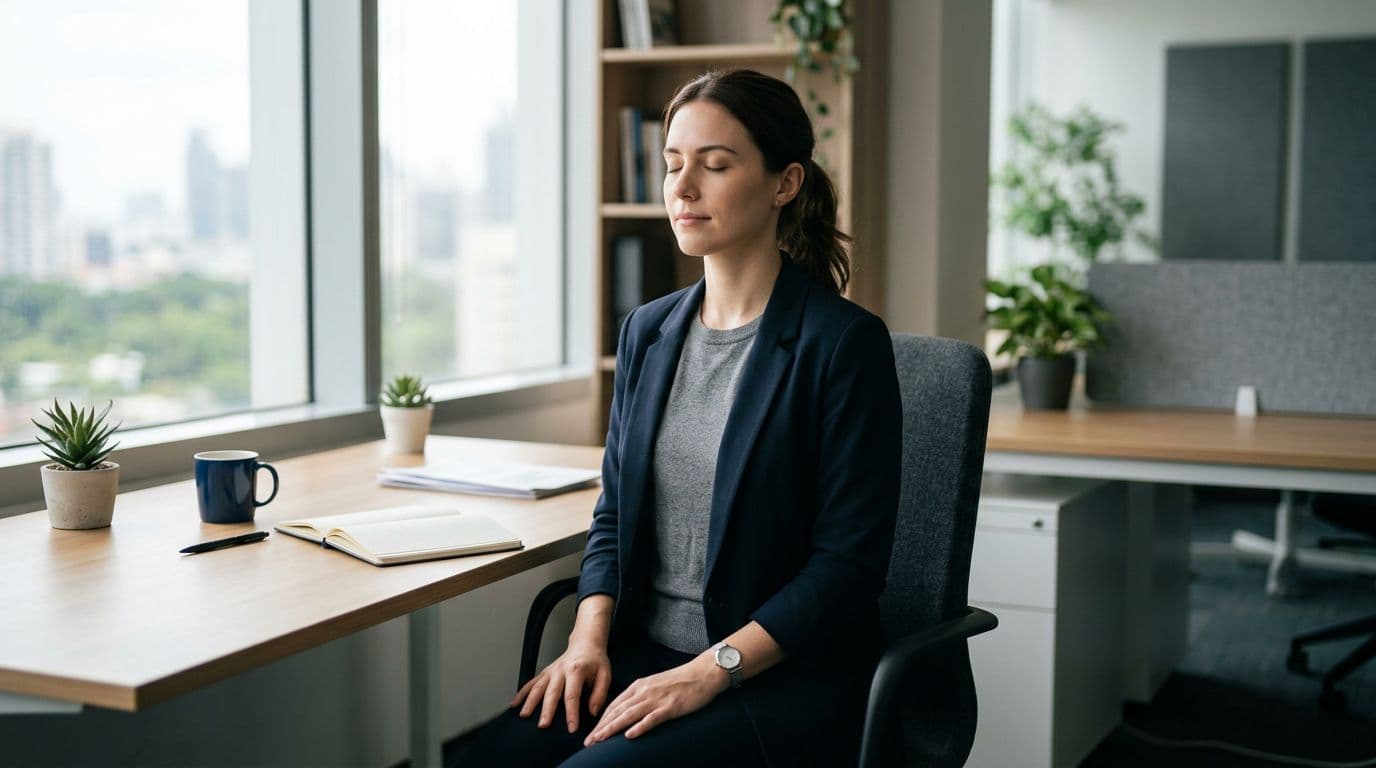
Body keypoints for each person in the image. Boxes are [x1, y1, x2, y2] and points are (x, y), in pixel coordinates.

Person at [456, 68, 901, 767]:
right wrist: (586, 639)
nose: (682, 188)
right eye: (672, 165)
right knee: (482, 761)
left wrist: (709, 671)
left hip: (775, 678)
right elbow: (614, 515)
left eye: (714, 165)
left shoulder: (843, 344)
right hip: (644, 657)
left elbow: (847, 570)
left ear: (785, 184)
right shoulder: (648, 332)